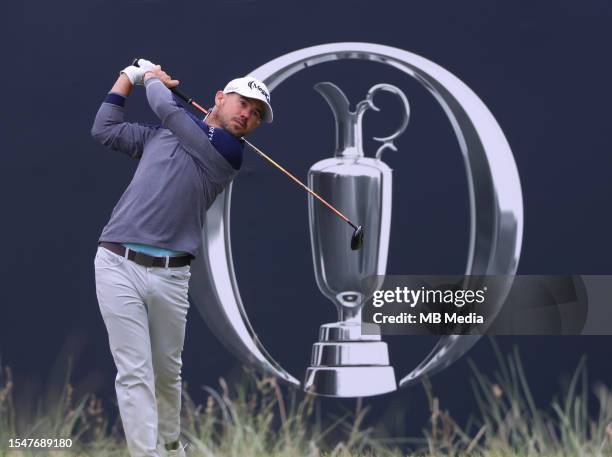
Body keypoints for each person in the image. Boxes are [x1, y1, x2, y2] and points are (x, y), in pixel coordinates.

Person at [91, 58, 273, 457]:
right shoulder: (162, 136)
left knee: (166, 374)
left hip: (172, 276)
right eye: (243, 103)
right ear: (220, 99)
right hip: (116, 262)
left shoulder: (228, 154)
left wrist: (150, 77)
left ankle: (172, 445)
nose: (248, 115)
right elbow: (104, 129)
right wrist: (126, 78)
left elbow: (165, 107)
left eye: (256, 114)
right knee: (134, 372)